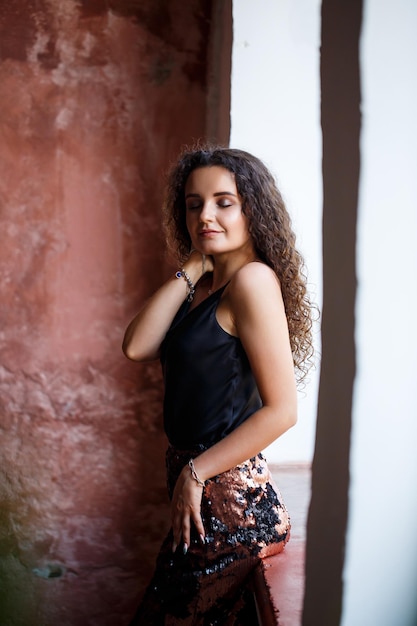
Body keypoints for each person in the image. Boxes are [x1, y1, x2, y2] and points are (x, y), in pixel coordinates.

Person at [123, 146, 315, 625]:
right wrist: (193, 266)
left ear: (253, 209)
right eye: (194, 204)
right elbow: (136, 345)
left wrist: (195, 473)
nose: (205, 215)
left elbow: (282, 410)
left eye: (223, 202)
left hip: (232, 509)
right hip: (202, 505)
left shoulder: (253, 281)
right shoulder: (210, 289)